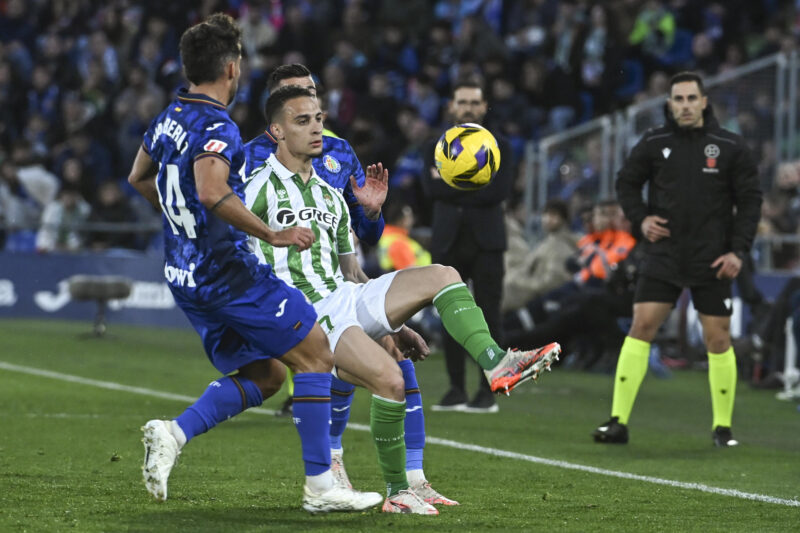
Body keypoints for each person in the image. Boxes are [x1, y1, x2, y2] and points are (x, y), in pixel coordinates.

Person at [245, 85, 560, 512]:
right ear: (277, 132)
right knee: (392, 379)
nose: (317, 128)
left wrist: (393, 318)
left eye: (319, 117)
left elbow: (351, 271)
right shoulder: (256, 188)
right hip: (308, 313)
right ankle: (397, 491)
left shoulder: (329, 195)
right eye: (303, 121)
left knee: (444, 276)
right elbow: (232, 256)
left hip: (344, 295)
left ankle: (495, 363)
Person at [126, 14, 382, 513]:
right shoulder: (216, 123)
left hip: (183, 275)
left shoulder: (170, 115)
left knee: (266, 374)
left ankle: (174, 434)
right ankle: (322, 488)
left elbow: (139, 176)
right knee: (314, 352)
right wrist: (272, 233)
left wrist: (183, 225)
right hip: (226, 273)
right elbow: (209, 188)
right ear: (231, 67)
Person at [592, 71, 762, 447]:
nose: (684, 105)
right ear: (669, 104)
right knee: (642, 326)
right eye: (678, 99)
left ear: (704, 102)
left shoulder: (729, 146)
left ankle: (723, 429)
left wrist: (738, 251)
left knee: (717, 338)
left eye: (691, 98)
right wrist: (641, 219)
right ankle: (617, 421)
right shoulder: (655, 141)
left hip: (713, 257)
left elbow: (750, 202)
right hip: (664, 253)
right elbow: (626, 182)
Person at [245, 63, 386, 418]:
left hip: (336, 280)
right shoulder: (246, 159)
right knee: (270, 374)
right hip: (275, 286)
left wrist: (370, 214)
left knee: (392, 355)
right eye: (293, 92)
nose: (304, 98)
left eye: (310, 91)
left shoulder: (339, 152)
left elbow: (367, 233)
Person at [421, 78, 515, 413]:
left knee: (490, 315)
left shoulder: (501, 145)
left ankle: (490, 388)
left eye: (474, 103)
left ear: (484, 106)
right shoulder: (433, 144)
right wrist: (476, 185)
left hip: (487, 241)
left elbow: (498, 192)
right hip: (448, 240)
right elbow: (430, 191)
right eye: (462, 102)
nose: (468, 108)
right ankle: (456, 389)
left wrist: (451, 184)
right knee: (451, 314)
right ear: (452, 106)